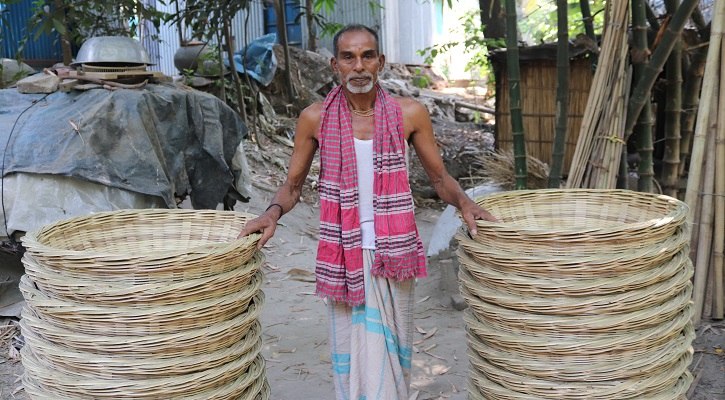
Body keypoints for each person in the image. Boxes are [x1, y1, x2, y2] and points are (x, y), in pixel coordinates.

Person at [239, 24, 497, 400]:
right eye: (348, 57)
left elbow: (439, 179)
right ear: (335, 65)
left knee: (393, 353)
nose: (358, 66)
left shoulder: (410, 114)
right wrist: (272, 213)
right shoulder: (315, 118)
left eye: (367, 56)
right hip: (344, 254)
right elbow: (292, 187)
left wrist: (465, 203)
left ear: (381, 62)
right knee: (354, 353)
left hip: (395, 253)